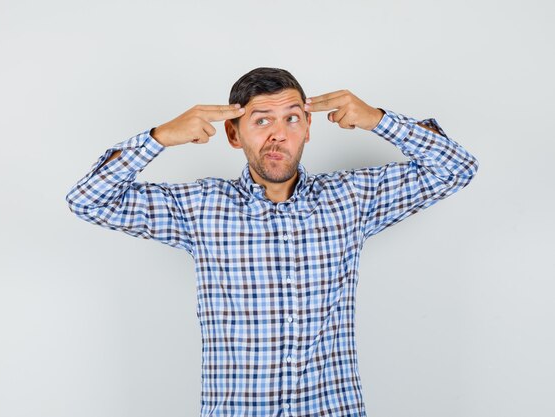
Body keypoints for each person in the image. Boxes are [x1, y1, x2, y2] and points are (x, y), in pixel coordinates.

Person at [65, 67, 478, 417]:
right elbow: (87, 201)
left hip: (332, 406)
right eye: (262, 121)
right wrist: (157, 138)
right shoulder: (199, 208)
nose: (278, 135)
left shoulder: (352, 199)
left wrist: (378, 120)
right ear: (233, 133)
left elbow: (456, 169)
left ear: (308, 128)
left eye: (292, 119)